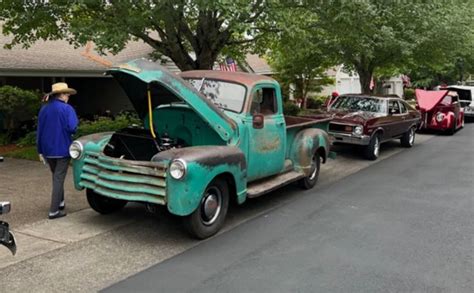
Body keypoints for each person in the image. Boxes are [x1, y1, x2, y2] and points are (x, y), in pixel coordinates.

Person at [37, 82, 79, 219]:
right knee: (58, 179)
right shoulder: (67, 109)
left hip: (47, 149)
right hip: (63, 148)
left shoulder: (44, 109)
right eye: (67, 93)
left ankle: (60, 202)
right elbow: (73, 128)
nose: (68, 96)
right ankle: (54, 210)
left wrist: (39, 150)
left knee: (55, 176)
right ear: (61, 94)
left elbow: (39, 131)